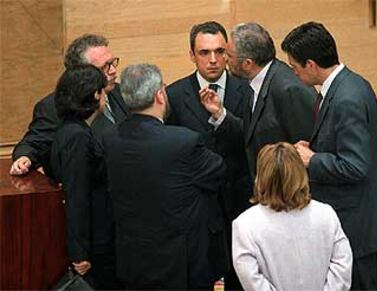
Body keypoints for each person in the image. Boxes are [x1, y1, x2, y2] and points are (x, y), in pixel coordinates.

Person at [281, 21, 377, 290]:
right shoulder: (349, 84)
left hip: (356, 221)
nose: (294, 73)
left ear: (311, 64)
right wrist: (315, 147)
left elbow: (355, 165)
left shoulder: (347, 97)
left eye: (294, 67)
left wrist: (312, 159)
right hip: (353, 214)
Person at [102, 63, 226, 289]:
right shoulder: (183, 141)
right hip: (179, 264)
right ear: (160, 95)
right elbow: (217, 170)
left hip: (133, 260)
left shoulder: (111, 139)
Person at [166, 21, 252, 287]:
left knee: (241, 273)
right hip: (197, 205)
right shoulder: (175, 95)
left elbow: (252, 140)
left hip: (240, 199)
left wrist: (222, 116)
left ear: (228, 53)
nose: (213, 60)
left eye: (219, 51)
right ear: (192, 55)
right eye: (204, 53)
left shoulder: (248, 89)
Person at [201, 22, 316, 179]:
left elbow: (308, 150)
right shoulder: (254, 81)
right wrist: (220, 114)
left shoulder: (290, 89)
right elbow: (254, 133)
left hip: (290, 194)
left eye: (229, 55)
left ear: (247, 63)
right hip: (269, 192)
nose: (225, 60)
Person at [232, 142, 352, 291]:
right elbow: (342, 267)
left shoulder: (244, 224)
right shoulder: (326, 214)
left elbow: (253, 282)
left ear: (261, 177)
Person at [10, 33, 129, 177]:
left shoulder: (121, 92)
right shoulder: (52, 106)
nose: (113, 71)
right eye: (105, 67)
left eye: (112, 62)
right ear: (81, 73)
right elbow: (33, 143)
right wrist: (25, 157)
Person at [50, 65, 120, 289]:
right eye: (102, 90)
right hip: (94, 245)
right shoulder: (76, 136)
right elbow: (76, 194)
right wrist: (79, 253)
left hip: (97, 237)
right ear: (95, 95)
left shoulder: (74, 129)